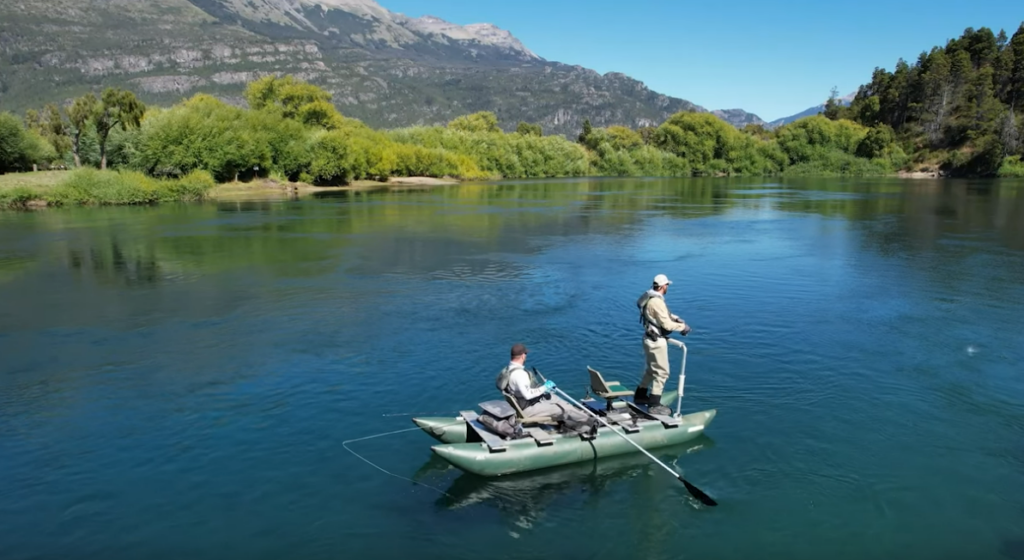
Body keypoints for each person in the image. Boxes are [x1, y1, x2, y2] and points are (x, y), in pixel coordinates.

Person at [496, 343, 595, 432]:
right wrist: (544, 387)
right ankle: (590, 422)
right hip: (528, 409)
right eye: (526, 354)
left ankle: (574, 417)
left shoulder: (508, 370)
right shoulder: (520, 375)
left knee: (552, 397)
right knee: (564, 410)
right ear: (523, 355)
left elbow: (521, 391)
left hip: (522, 404)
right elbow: (527, 395)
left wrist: (544, 389)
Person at [634, 274, 691, 415]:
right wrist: (682, 327)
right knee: (662, 373)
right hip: (656, 342)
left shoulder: (650, 298)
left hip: (648, 338)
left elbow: (663, 315)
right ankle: (654, 405)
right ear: (662, 286)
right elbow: (666, 324)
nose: (667, 287)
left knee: (651, 370)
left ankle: (640, 395)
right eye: (667, 285)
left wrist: (676, 318)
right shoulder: (657, 302)